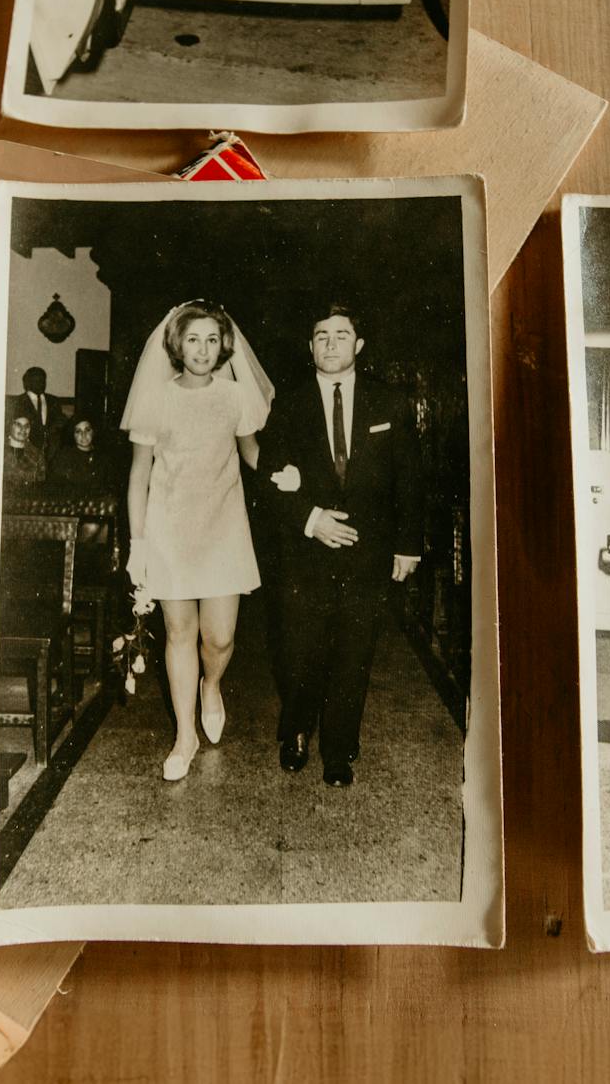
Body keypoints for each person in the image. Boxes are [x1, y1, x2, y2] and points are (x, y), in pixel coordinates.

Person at [257, 303, 421, 788]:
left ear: (359, 345)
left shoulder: (389, 403)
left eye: (341, 335)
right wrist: (311, 519)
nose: (331, 344)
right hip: (303, 553)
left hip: (368, 553)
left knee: (354, 651)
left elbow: (409, 480)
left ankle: (338, 749)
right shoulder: (287, 405)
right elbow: (267, 483)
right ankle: (297, 732)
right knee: (299, 649)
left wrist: (408, 545)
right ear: (310, 348)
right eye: (321, 337)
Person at [123, 300, 275, 781]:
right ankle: (183, 737)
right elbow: (139, 475)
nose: (203, 349)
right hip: (169, 527)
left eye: (212, 340)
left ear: (223, 344)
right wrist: (138, 544)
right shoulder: (157, 397)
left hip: (223, 524)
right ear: (177, 344)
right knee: (179, 633)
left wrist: (283, 474)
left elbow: (251, 453)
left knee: (221, 636)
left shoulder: (234, 396)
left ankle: (213, 684)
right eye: (193, 339)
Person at [10, 367, 64, 454]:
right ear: (26, 382)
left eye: (43, 379)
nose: (41, 382)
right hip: (26, 450)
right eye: (36, 379)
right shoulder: (18, 402)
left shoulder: (54, 401)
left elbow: (60, 422)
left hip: (51, 451)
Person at [50, 418, 111, 491]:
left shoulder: (102, 456)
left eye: (87, 430)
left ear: (93, 432)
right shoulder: (63, 456)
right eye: (78, 431)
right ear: (72, 434)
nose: (83, 435)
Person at [3, 414, 46, 485]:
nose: (23, 430)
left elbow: (41, 482)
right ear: (10, 426)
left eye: (27, 426)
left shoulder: (37, 454)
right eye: (18, 425)